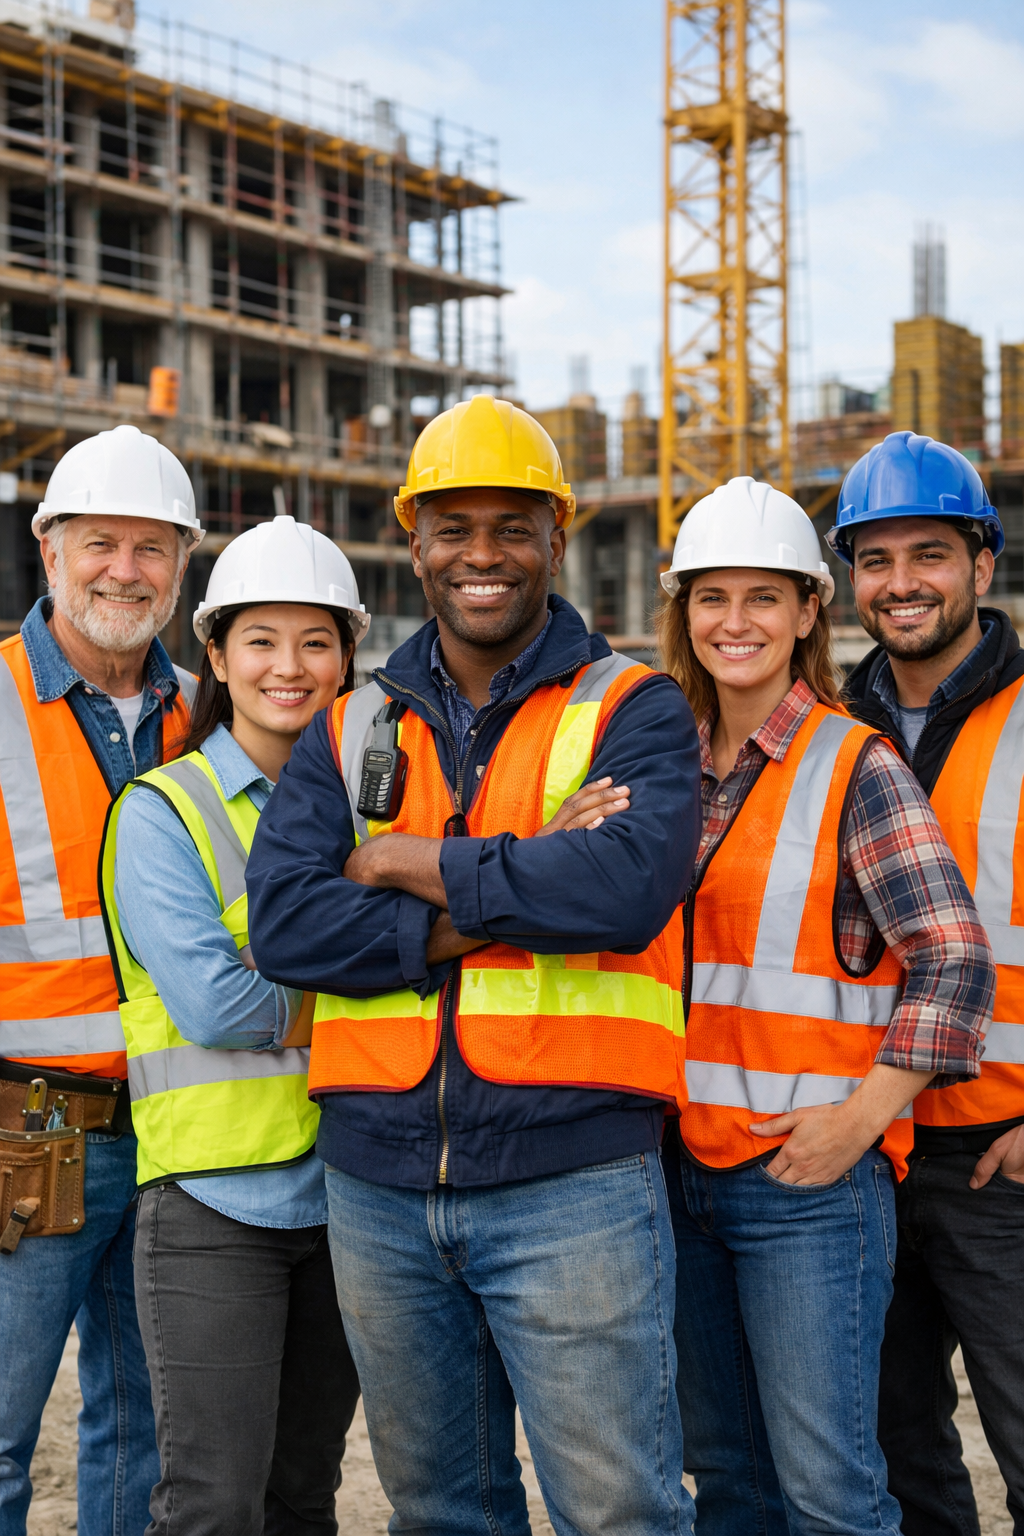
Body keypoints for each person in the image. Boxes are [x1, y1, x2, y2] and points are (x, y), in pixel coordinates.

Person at [246, 396, 702, 1536]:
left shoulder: (633, 707)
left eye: (511, 527)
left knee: (620, 1513)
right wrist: (519, 878)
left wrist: (402, 861)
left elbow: (622, 892)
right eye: (453, 528)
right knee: (441, 1514)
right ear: (414, 544)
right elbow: (288, 929)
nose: (481, 555)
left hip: (575, 1181)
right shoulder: (352, 725)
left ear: (557, 537)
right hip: (378, 1189)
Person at [655, 473, 995, 1536]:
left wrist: (862, 1119)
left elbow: (954, 962)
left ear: (809, 611)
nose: (736, 622)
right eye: (712, 598)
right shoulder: (660, 763)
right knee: (729, 1480)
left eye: (764, 597)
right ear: (683, 611)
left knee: (830, 1494)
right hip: (676, 1171)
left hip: (805, 1186)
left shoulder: (856, 764)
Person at [99, 513, 366, 1535]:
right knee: (213, 1504)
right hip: (215, 1208)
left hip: (348, 1198)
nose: (288, 668)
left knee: (304, 1497)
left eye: (314, 642)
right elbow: (216, 1005)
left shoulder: (378, 808)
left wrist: (294, 977)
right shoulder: (164, 811)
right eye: (260, 640)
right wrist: (367, 981)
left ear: (346, 657)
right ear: (214, 655)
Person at [0, 425, 199, 1536]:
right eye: (99, 544)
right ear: (49, 550)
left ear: (183, 563)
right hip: (27, 1126)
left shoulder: (209, 711)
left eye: (151, 547)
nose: (125, 570)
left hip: (180, 1129)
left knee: (147, 1433)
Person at [836, 430, 1024, 1536]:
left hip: (1002, 1158)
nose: (900, 583)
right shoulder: (825, 727)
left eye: (929, 555)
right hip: (864, 1145)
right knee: (895, 1454)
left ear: (982, 565)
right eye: (876, 560)